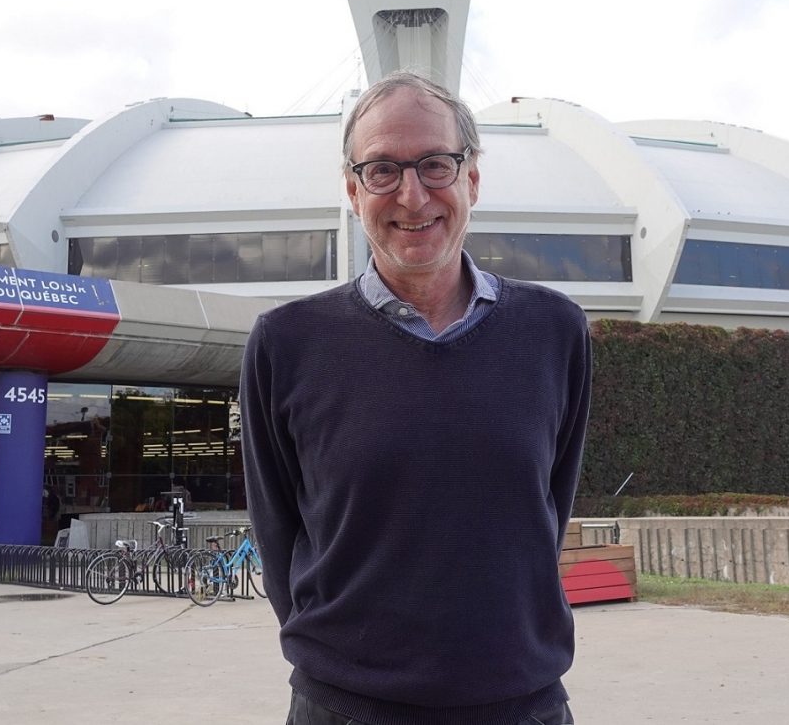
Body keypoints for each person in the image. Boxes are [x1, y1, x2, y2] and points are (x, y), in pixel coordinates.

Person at [241, 71, 592, 725]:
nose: (412, 194)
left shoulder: (554, 331)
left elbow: (547, 506)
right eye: (381, 170)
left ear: (473, 180)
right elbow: (278, 531)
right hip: (343, 708)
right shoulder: (286, 344)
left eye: (436, 164)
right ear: (352, 190)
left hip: (522, 705)